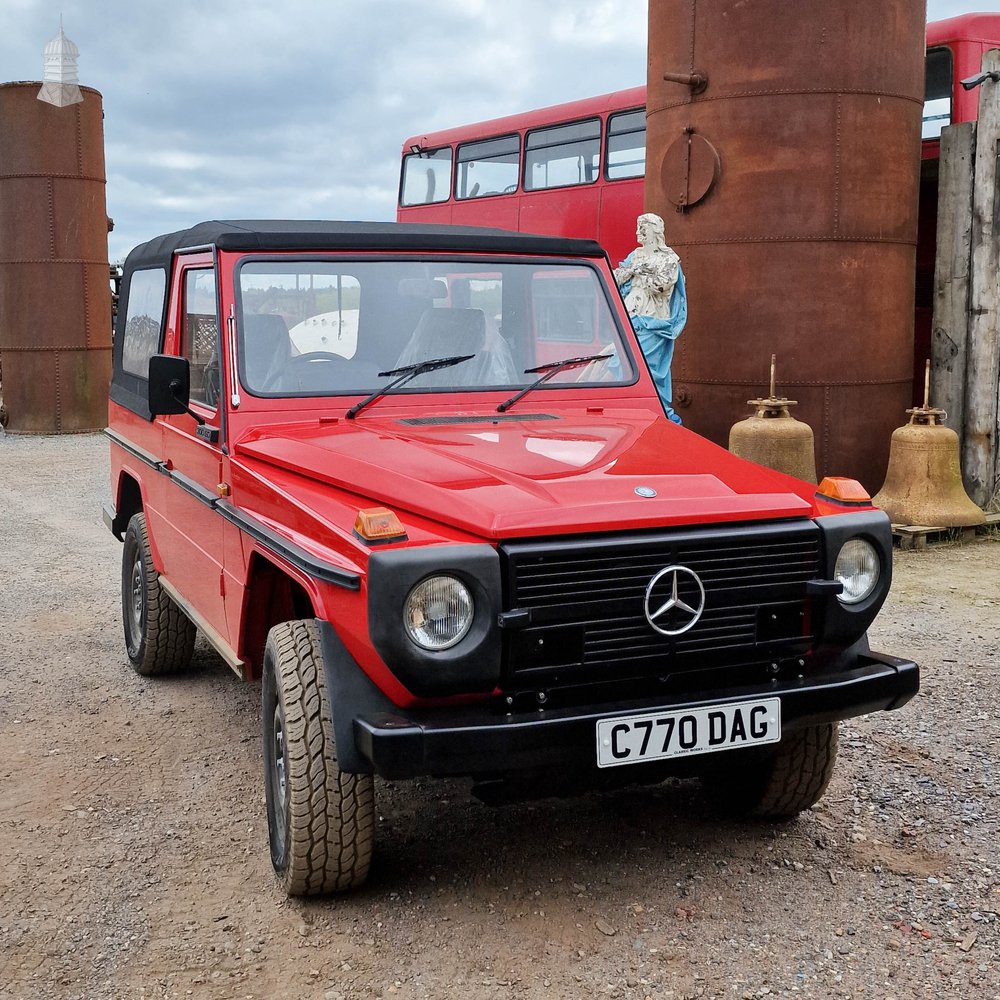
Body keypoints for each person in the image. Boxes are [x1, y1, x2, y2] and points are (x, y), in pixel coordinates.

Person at [614, 213, 687, 424]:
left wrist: (640, 272)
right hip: (630, 317)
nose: (638, 233)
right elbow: (616, 278)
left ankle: (657, 410)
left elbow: (661, 285)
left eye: (642, 229)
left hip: (653, 321)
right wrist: (633, 270)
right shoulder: (634, 256)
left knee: (647, 369)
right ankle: (628, 408)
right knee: (623, 366)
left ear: (654, 231)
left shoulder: (669, 259)